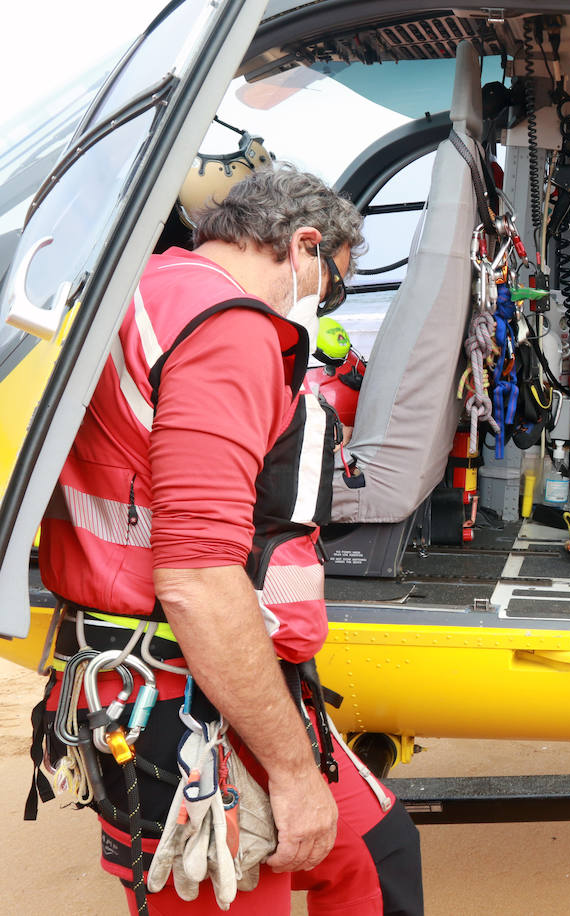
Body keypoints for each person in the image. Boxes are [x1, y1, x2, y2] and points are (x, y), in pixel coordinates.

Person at [31, 166, 422, 914]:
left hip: (185, 672)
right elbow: (201, 576)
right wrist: (294, 774)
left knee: (376, 847)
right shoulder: (228, 326)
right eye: (330, 287)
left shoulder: (143, 288)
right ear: (304, 245)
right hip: (179, 690)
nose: (320, 304)